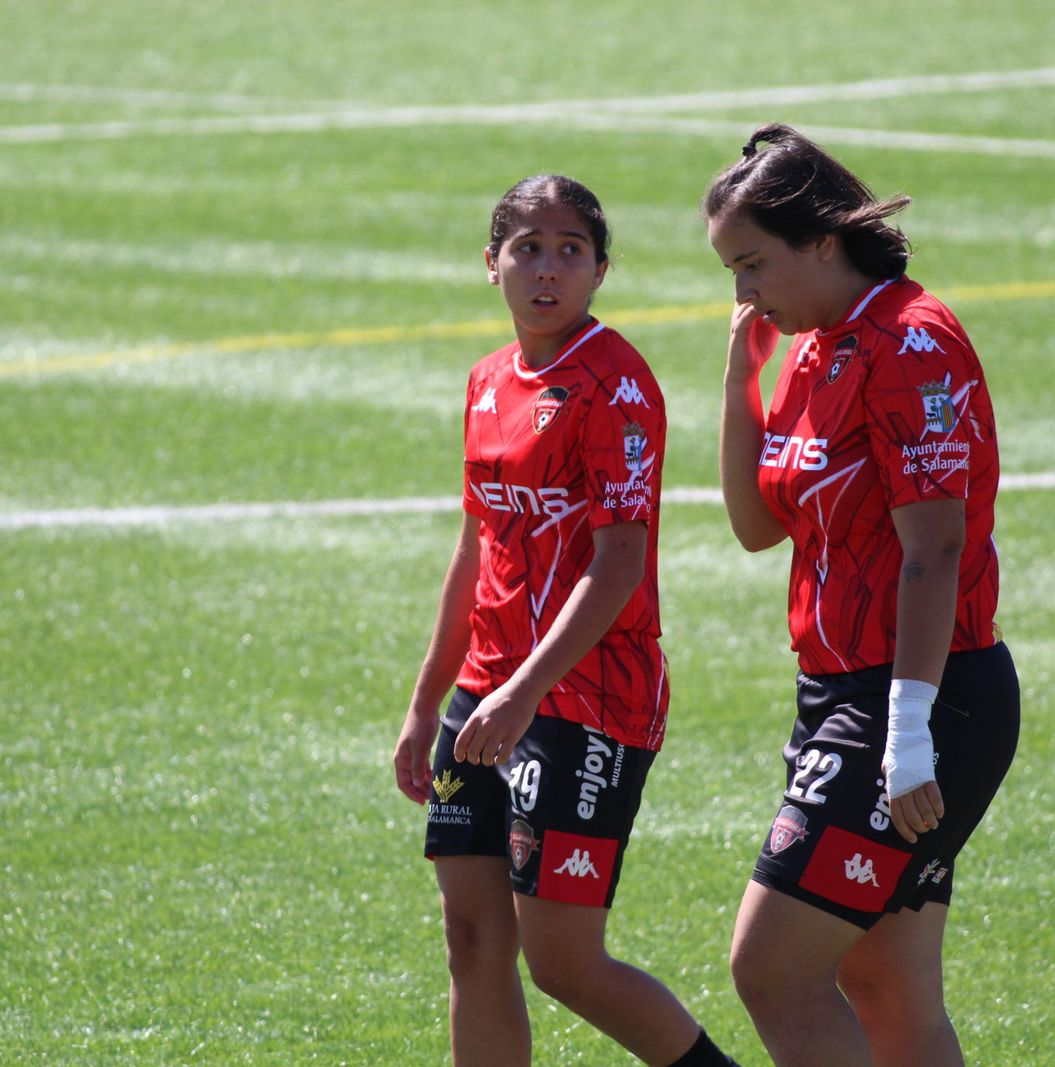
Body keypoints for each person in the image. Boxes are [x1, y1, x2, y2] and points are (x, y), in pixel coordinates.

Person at [393, 175, 738, 1067]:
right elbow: (476, 550)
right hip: (486, 693)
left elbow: (619, 562)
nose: (548, 269)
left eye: (570, 251)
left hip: (585, 699)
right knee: (472, 939)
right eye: (528, 249)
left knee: (564, 963)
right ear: (492, 263)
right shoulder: (486, 382)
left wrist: (521, 694)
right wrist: (429, 702)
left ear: (600, 270)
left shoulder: (614, 384)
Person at [702, 124, 1021, 1067]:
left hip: (923, 695)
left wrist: (908, 729)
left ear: (821, 241)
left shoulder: (910, 342)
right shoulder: (812, 348)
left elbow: (935, 546)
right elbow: (757, 525)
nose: (744, 293)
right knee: (886, 982)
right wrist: (741, 377)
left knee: (771, 967)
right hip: (841, 691)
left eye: (753, 264)